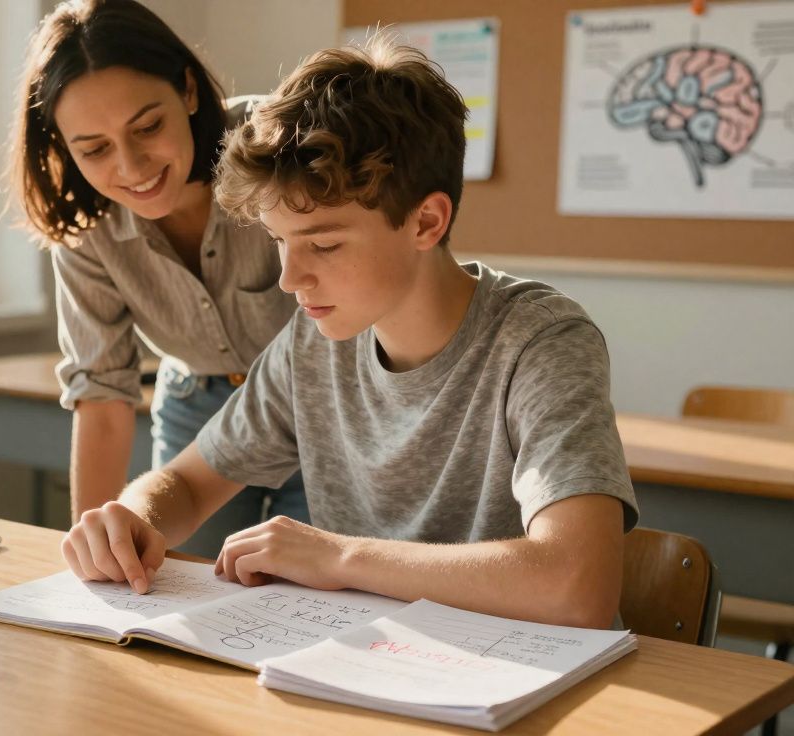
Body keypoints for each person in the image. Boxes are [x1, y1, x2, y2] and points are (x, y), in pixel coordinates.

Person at [59, 35, 639, 629]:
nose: (288, 278)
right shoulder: (314, 344)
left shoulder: (542, 341)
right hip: (382, 668)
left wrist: (341, 557)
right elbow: (185, 484)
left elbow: (578, 586)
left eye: (325, 243)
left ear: (427, 220)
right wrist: (132, 516)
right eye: (280, 241)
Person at [7, 0, 308, 557]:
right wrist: (96, 554)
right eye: (94, 149)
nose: (131, 167)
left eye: (148, 126)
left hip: (325, 406)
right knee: (178, 589)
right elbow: (102, 395)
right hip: (198, 407)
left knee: (318, 602)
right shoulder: (87, 226)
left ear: (188, 91)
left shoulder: (279, 146)